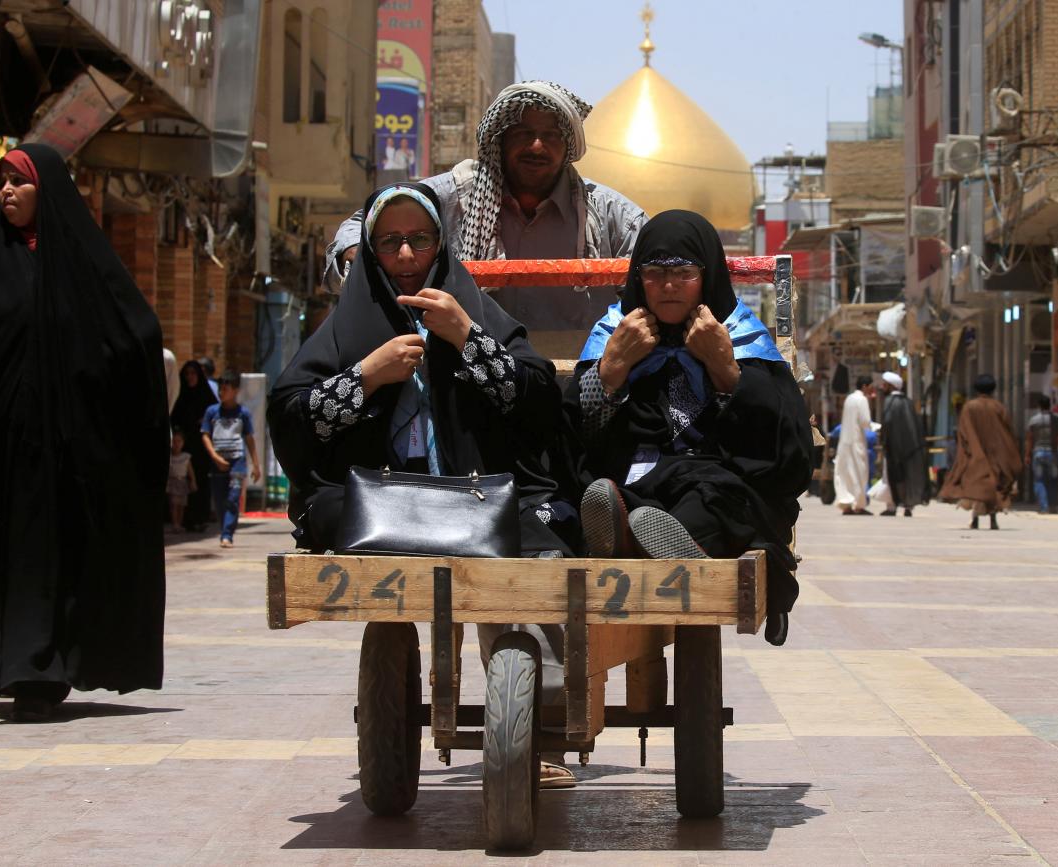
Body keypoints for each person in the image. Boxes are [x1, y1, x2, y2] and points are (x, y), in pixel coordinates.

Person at [269, 182, 577, 786]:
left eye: (420, 239)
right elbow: (291, 414)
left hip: (480, 497)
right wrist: (365, 376)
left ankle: (540, 734)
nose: (407, 256)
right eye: (390, 242)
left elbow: (538, 403)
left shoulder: (474, 311)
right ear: (370, 249)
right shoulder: (346, 326)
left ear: (441, 246)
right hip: (383, 506)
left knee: (530, 566)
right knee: (332, 514)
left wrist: (469, 339)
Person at [0, 144, 168, 721]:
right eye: (1, 182)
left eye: (18, 183)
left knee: (54, 558)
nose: (6, 192)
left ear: (45, 193)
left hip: (64, 457)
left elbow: (136, 332)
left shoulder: (81, 268)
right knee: (0, 557)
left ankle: (38, 672)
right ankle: (11, 662)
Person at [564, 210, 813, 647]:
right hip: (636, 478)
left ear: (708, 275)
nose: (668, 285)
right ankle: (636, 529)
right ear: (638, 278)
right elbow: (571, 435)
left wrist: (726, 370)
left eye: (683, 272)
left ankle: (650, 535)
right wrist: (611, 370)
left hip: (717, 482)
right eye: (655, 272)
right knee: (606, 494)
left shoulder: (740, 337)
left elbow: (785, 450)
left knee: (708, 501)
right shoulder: (614, 334)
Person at [323, 81, 645, 330]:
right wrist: (366, 254)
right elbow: (358, 226)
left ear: (568, 146)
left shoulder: (605, 214)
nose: (537, 146)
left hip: (572, 399)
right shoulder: (455, 197)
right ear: (500, 139)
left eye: (551, 135)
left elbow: (662, 264)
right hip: (470, 390)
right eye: (524, 133)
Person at [939, 374, 1022, 530]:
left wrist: (965, 453)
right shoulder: (999, 407)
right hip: (996, 455)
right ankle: (993, 519)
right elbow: (1008, 432)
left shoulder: (969, 407)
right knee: (994, 487)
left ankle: (975, 519)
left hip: (975, 454)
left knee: (978, 487)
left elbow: (963, 433)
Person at [202, 370, 261, 548]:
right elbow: (205, 435)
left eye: (226, 389)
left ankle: (227, 534)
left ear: (235, 391)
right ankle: (224, 529)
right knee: (219, 500)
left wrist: (255, 465)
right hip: (217, 462)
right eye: (220, 389)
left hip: (237, 463)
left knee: (232, 499)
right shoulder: (212, 412)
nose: (221, 392)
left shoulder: (243, 413)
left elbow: (249, 439)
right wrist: (214, 456)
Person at [171, 359, 218, 530]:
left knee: (200, 480)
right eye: (187, 374)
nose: (190, 377)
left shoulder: (206, 396)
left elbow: (214, 417)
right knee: (181, 481)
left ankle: (200, 517)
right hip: (183, 447)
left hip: (201, 447)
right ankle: (181, 519)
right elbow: (174, 418)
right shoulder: (180, 396)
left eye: (193, 373)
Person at [877, 371, 927, 517]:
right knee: (908, 476)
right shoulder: (908, 402)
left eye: (885, 384)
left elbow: (887, 424)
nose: (883, 387)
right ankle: (908, 506)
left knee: (892, 477)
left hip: (893, 449)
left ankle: (892, 507)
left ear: (891, 386)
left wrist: (883, 442)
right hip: (910, 449)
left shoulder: (889, 402)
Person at [834, 377, 875, 515]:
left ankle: (847, 504)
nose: (871, 389)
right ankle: (859, 505)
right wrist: (874, 427)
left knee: (846, 474)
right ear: (864, 386)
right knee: (859, 473)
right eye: (870, 386)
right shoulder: (862, 400)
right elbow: (865, 422)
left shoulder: (849, 399)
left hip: (845, 442)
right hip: (857, 442)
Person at [1025, 395, 1058, 513]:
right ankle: (1052, 505)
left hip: (1038, 453)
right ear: (1049, 405)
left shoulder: (1033, 421)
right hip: (1052, 453)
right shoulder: (1057, 420)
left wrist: (1027, 455)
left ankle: (1043, 506)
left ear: (1039, 406)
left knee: (1039, 480)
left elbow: (1029, 439)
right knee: (1053, 480)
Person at [168, 427, 198, 532]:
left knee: (181, 505)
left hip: (183, 482)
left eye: (179, 441)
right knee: (173, 504)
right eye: (174, 441)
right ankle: (175, 523)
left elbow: (190, 471)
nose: (176, 444)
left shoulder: (185, 457)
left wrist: (193, 481)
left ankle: (179, 524)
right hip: (172, 482)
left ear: (183, 443)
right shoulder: (169, 457)